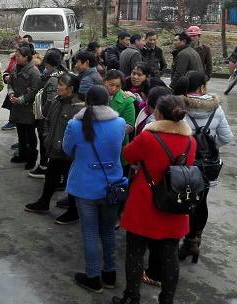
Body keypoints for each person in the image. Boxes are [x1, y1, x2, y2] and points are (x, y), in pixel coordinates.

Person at [113, 95, 197, 304]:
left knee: (135, 252)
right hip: (173, 204)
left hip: (145, 203)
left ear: (158, 113)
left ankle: (131, 297)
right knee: (170, 257)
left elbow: (128, 155)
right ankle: (166, 300)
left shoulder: (148, 137)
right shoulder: (190, 141)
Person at [62, 85, 127, 293]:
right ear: (108, 101)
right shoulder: (119, 123)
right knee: (108, 231)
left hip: (85, 186)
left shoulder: (75, 124)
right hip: (112, 185)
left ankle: (92, 277)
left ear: (87, 101)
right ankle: (110, 274)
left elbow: (67, 149)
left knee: (89, 233)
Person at [173, 71, 233, 264]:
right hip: (207, 167)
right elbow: (227, 137)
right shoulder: (216, 109)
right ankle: (194, 240)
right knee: (202, 202)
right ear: (202, 87)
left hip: (185, 164)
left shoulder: (179, 107)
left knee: (183, 201)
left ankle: (181, 239)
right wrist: (209, 147)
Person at [24, 74, 82, 218]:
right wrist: (46, 137)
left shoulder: (79, 108)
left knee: (71, 181)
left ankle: (73, 211)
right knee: (51, 177)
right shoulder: (56, 100)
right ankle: (44, 203)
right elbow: (47, 120)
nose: (57, 87)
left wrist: (66, 146)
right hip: (54, 150)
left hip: (69, 153)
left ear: (71, 89)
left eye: (61, 85)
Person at [29, 49, 66, 177]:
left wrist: (42, 114)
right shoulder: (63, 73)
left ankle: (44, 166)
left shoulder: (52, 79)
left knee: (45, 140)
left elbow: (50, 100)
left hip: (50, 116)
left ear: (47, 63)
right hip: (60, 114)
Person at [8, 46, 42, 169]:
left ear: (26, 58)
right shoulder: (15, 68)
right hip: (17, 108)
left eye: (18, 56)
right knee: (21, 133)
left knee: (30, 134)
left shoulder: (34, 72)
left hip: (29, 109)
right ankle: (22, 155)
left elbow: (35, 91)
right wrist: (11, 93)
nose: (16, 57)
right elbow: (10, 83)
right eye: (16, 55)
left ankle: (32, 158)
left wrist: (21, 99)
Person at [104, 70, 136, 145]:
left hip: (118, 143)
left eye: (118, 86)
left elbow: (129, 126)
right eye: (111, 85)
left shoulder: (127, 100)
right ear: (104, 81)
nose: (114, 88)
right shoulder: (96, 95)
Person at [1, 35, 24, 131]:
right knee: (12, 103)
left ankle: (14, 121)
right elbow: (7, 70)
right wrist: (6, 76)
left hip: (21, 88)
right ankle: (12, 121)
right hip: (12, 86)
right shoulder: (13, 58)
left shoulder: (30, 65)